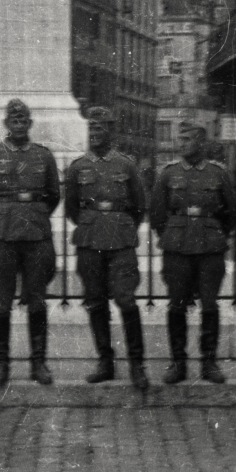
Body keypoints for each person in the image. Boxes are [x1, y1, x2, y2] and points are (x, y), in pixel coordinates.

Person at [0, 99, 60, 387]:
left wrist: (35, 215)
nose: (19, 124)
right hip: (1, 237)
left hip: (35, 236)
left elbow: (53, 195)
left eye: (24, 120)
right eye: (14, 120)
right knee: (2, 303)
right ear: (7, 124)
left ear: (30, 124)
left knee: (37, 301)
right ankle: (1, 364)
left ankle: (38, 363)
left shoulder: (44, 157)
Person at [65, 106, 149, 391]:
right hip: (89, 240)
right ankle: (105, 362)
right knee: (95, 301)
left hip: (121, 241)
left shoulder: (126, 165)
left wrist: (120, 224)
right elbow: (72, 208)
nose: (95, 133)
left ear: (110, 132)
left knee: (125, 299)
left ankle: (137, 364)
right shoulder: (78, 167)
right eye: (91, 128)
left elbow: (139, 205)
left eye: (101, 128)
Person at [150, 120, 236, 385]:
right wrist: (172, 235)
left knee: (209, 305)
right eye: (180, 139)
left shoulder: (218, 173)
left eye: (187, 139)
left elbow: (232, 212)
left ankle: (209, 363)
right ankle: (178, 363)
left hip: (210, 247)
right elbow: (157, 215)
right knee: (177, 305)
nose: (181, 144)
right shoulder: (168, 173)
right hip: (177, 247)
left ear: (201, 143)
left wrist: (216, 233)